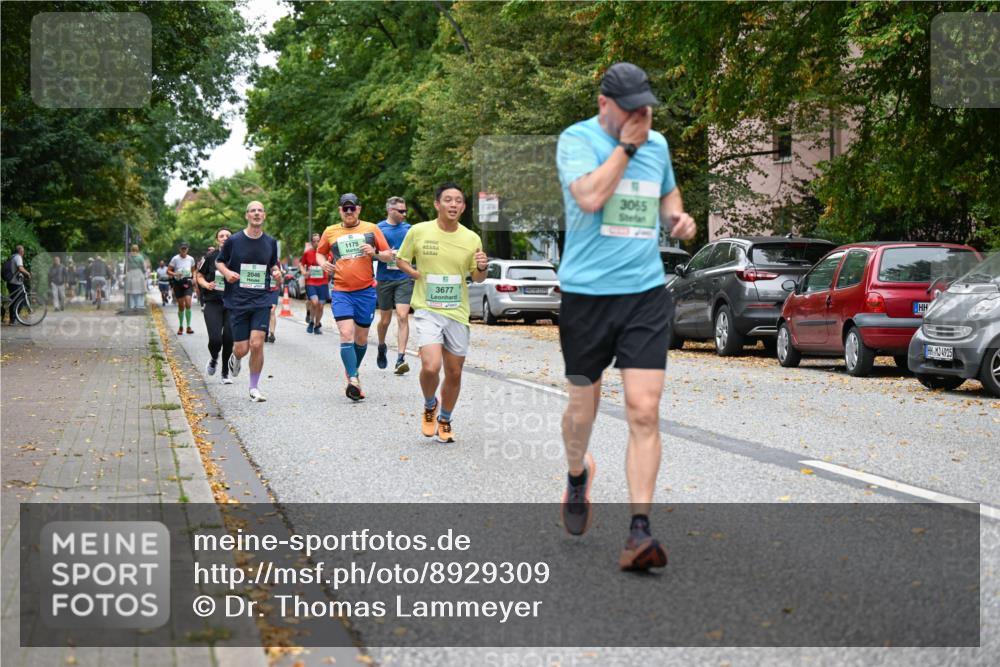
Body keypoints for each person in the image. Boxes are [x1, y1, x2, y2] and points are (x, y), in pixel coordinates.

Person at [555, 62, 696, 571]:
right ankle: (577, 475)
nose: (643, 114)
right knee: (581, 413)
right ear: (604, 105)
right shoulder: (576, 140)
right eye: (631, 107)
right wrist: (627, 147)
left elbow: (669, 199)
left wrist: (679, 220)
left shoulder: (657, 147)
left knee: (643, 409)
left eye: (646, 105)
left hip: (643, 294)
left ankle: (640, 531)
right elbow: (591, 197)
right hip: (586, 297)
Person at [394, 182, 488, 443]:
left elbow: (478, 278)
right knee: (431, 365)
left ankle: (445, 418)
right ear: (437, 204)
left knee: (455, 372)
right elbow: (401, 258)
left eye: (458, 201)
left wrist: (482, 267)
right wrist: (412, 272)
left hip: (457, 312)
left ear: (463, 207)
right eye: (448, 200)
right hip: (427, 309)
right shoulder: (419, 231)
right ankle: (429, 404)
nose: (453, 204)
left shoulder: (471, 238)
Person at [316, 193, 393, 401]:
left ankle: (353, 373)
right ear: (340, 210)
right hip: (341, 291)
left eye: (352, 208)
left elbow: (388, 254)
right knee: (346, 334)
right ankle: (353, 379)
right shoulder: (330, 231)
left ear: (359, 209)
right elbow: (320, 252)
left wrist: (375, 252)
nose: (348, 212)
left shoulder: (371, 229)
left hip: (366, 292)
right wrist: (323, 263)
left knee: (360, 339)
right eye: (344, 208)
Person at [216, 201, 281, 402]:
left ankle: (254, 387)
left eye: (260, 210)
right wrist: (227, 273)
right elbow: (219, 261)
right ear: (247, 215)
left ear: (264, 215)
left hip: (261, 299)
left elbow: (273, 266)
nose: (256, 213)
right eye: (252, 210)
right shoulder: (234, 241)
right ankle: (235, 358)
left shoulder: (270, 242)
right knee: (242, 348)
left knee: (257, 344)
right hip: (238, 301)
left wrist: (277, 273)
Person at [375, 196, 414, 374]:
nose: (405, 214)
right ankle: (381, 346)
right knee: (385, 320)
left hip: (403, 278)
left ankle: (400, 358)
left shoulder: (410, 229)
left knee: (402, 316)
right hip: (384, 278)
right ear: (391, 210)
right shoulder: (378, 229)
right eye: (401, 211)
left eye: (405, 210)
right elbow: (370, 253)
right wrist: (383, 254)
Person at [196, 228, 234, 385]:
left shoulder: (238, 256)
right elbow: (199, 276)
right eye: (221, 236)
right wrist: (206, 284)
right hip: (213, 302)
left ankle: (225, 372)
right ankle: (213, 358)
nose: (225, 238)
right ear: (217, 240)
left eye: (228, 236)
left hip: (232, 303)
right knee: (215, 339)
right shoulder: (210, 256)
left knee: (229, 338)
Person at [300, 237, 329, 335]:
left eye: (318, 241)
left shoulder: (326, 252)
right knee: (314, 302)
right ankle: (311, 321)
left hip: (323, 283)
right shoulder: (307, 253)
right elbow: (301, 263)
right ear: (311, 243)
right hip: (311, 282)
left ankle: (317, 325)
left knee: (320, 306)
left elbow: (333, 262)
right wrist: (304, 271)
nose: (316, 243)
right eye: (314, 241)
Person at [168, 242, 197, 334]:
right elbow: (168, 271)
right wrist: (175, 273)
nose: (184, 250)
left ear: (187, 249)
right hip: (178, 283)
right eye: (182, 249)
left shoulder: (191, 259)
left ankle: (188, 326)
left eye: (185, 249)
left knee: (188, 303)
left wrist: (195, 278)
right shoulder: (175, 259)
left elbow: (194, 271)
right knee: (181, 306)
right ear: (179, 249)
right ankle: (181, 326)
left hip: (187, 282)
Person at [3, 245, 31, 324]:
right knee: (20, 301)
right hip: (15, 283)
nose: (23, 252)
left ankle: (12, 319)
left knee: (13, 301)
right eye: (23, 251)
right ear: (20, 251)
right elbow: (20, 268)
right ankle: (13, 319)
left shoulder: (12, 257)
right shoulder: (18, 257)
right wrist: (28, 273)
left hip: (11, 282)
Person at [125, 244, 149, 311]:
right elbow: (144, 267)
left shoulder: (128, 257)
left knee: (131, 290)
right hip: (139, 273)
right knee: (140, 290)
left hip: (131, 273)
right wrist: (144, 272)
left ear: (131, 249)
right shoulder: (140, 257)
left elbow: (127, 266)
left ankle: (132, 305)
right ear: (137, 249)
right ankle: (139, 305)